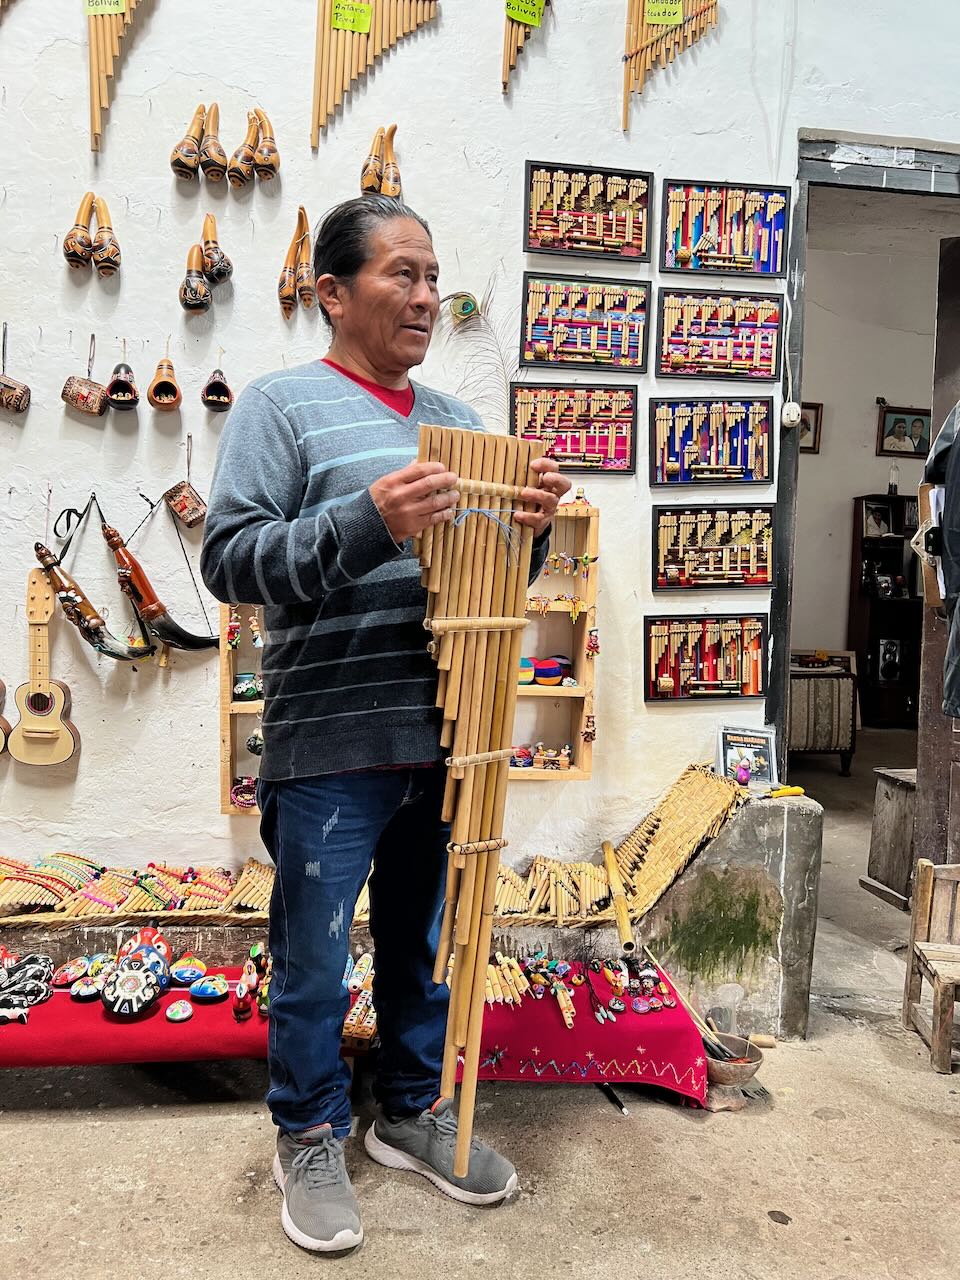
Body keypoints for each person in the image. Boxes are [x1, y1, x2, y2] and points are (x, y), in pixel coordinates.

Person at [201, 195, 568, 1254]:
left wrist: (528, 536)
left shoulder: (456, 420)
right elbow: (232, 560)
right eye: (400, 274)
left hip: (445, 739)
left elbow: (485, 584)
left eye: (433, 275)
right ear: (332, 291)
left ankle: (409, 1104)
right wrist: (371, 519)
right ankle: (308, 1127)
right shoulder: (279, 407)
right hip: (328, 744)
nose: (424, 296)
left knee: (422, 943)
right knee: (313, 957)